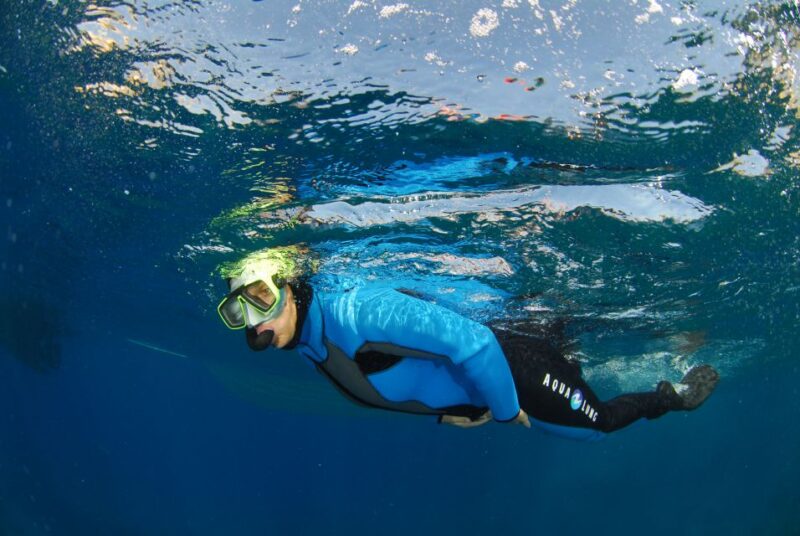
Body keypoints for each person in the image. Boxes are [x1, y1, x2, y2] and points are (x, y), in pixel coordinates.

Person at [217, 249, 719, 440]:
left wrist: (503, 411)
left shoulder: (354, 314)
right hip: (488, 377)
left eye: (260, 297)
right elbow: (383, 381)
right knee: (574, 325)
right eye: (240, 309)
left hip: (512, 361)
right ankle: (571, 353)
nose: (255, 322)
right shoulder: (305, 338)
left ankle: (673, 395)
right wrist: (450, 410)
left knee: (597, 426)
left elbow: (476, 344)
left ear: (290, 285)